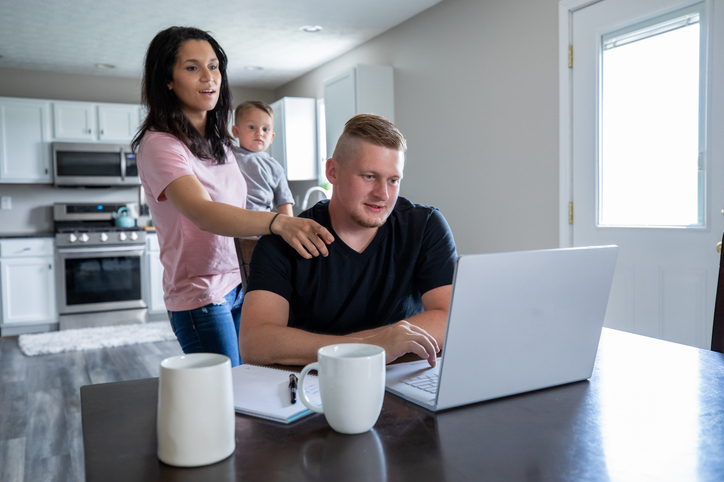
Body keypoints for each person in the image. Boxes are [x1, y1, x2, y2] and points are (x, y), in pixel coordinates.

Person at [131, 26, 334, 367]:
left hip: (239, 283)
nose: (209, 77)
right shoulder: (160, 145)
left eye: (214, 66)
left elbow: (247, 200)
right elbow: (203, 212)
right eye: (192, 67)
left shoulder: (222, 144)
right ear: (167, 79)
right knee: (226, 396)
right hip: (200, 295)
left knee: (253, 382)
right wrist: (279, 223)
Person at [239, 114, 457, 367]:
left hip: (406, 375)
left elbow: (448, 317)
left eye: (393, 180)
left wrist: (368, 344)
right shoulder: (284, 242)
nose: (382, 194)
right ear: (333, 171)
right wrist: (373, 346)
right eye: (368, 176)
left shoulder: (425, 225)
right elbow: (255, 343)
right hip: (318, 385)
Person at [231, 101, 294, 216]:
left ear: (271, 138)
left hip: (262, 222)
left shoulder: (275, 167)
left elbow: (284, 202)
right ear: (236, 131)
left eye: (265, 129)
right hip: (233, 220)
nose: (259, 133)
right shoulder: (228, 155)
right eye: (252, 127)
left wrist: (289, 227)